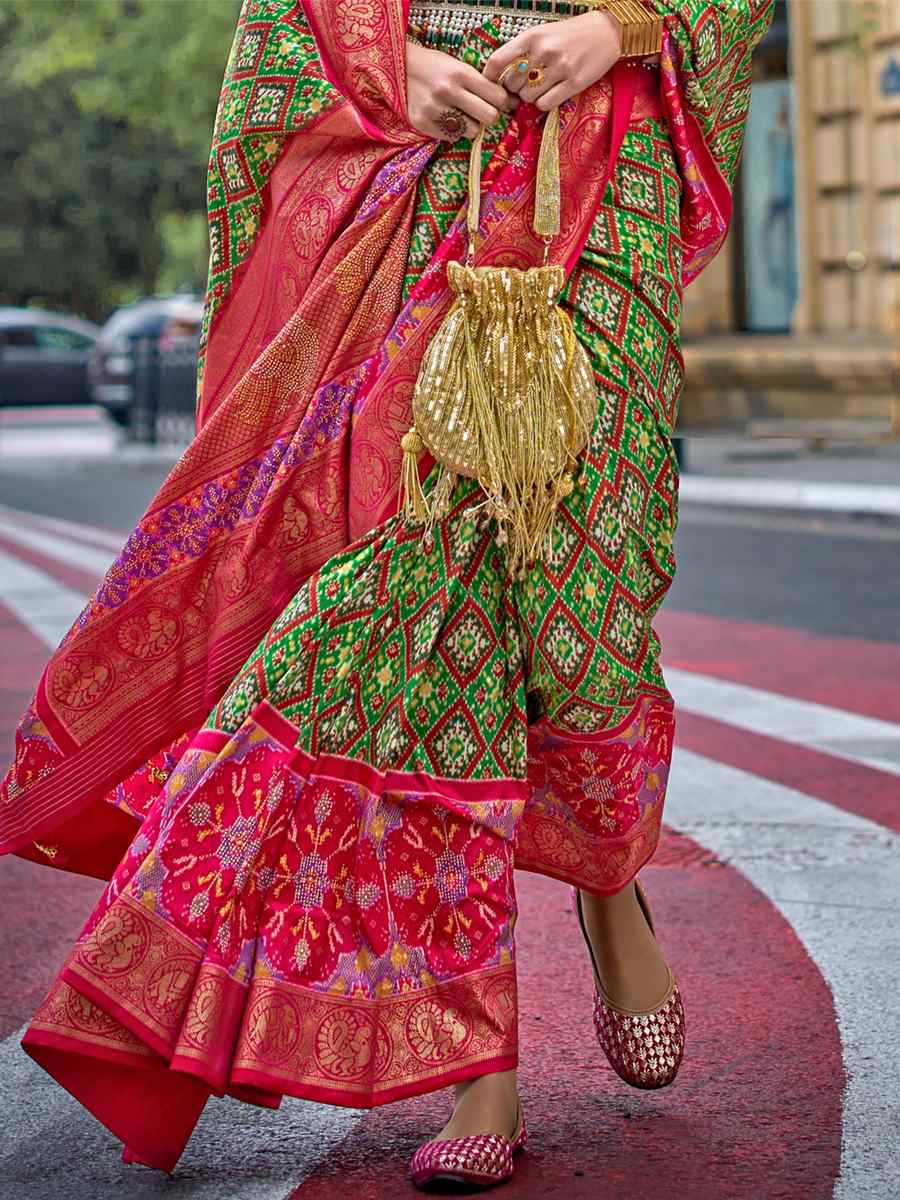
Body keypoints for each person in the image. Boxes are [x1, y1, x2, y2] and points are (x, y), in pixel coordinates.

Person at [0, 0, 774, 1188]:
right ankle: (484, 1058)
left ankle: (610, 882)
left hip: (605, 183)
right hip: (425, 185)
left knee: (584, 614)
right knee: (426, 610)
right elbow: (288, 15)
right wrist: (382, 67)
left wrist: (623, 29)